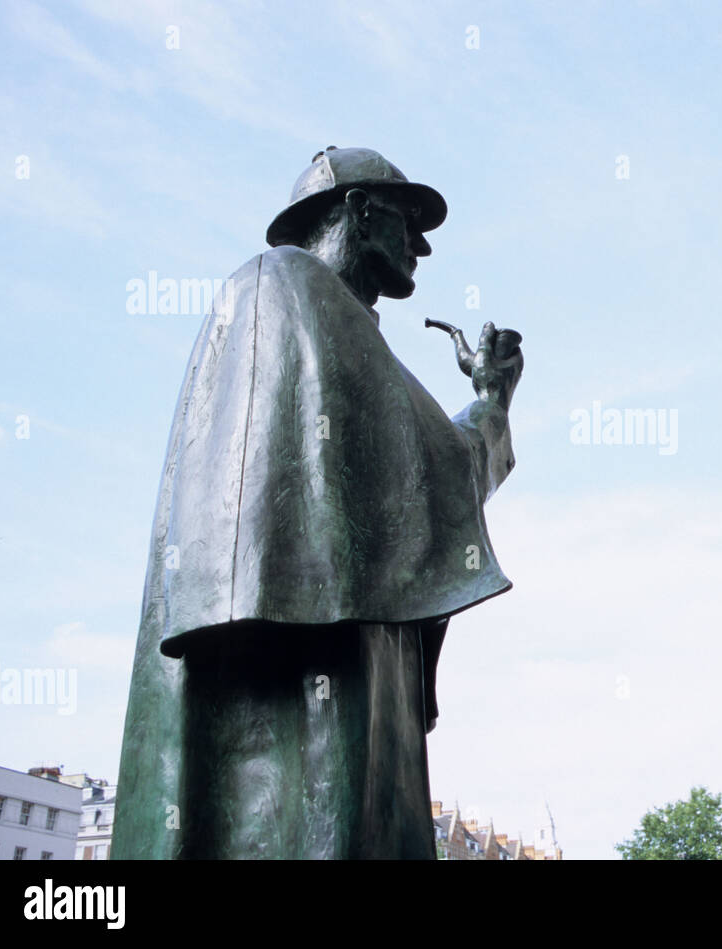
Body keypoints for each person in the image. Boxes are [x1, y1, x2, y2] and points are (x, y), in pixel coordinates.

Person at [112, 147, 523, 859]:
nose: (421, 247)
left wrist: (490, 399)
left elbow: (442, 468)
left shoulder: (344, 331)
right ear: (360, 214)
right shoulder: (287, 284)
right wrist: (488, 403)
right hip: (300, 668)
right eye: (408, 222)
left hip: (355, 652)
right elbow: (444, 465)